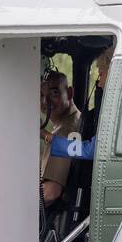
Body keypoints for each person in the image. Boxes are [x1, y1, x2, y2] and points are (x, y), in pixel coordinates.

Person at [38, 71, 81, 207]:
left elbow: (51, 191)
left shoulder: (64, 132)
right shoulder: (72, 120)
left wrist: (19, 201)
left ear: (69, 93)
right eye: (41, 95)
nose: (46, 102)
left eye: (54, 93)